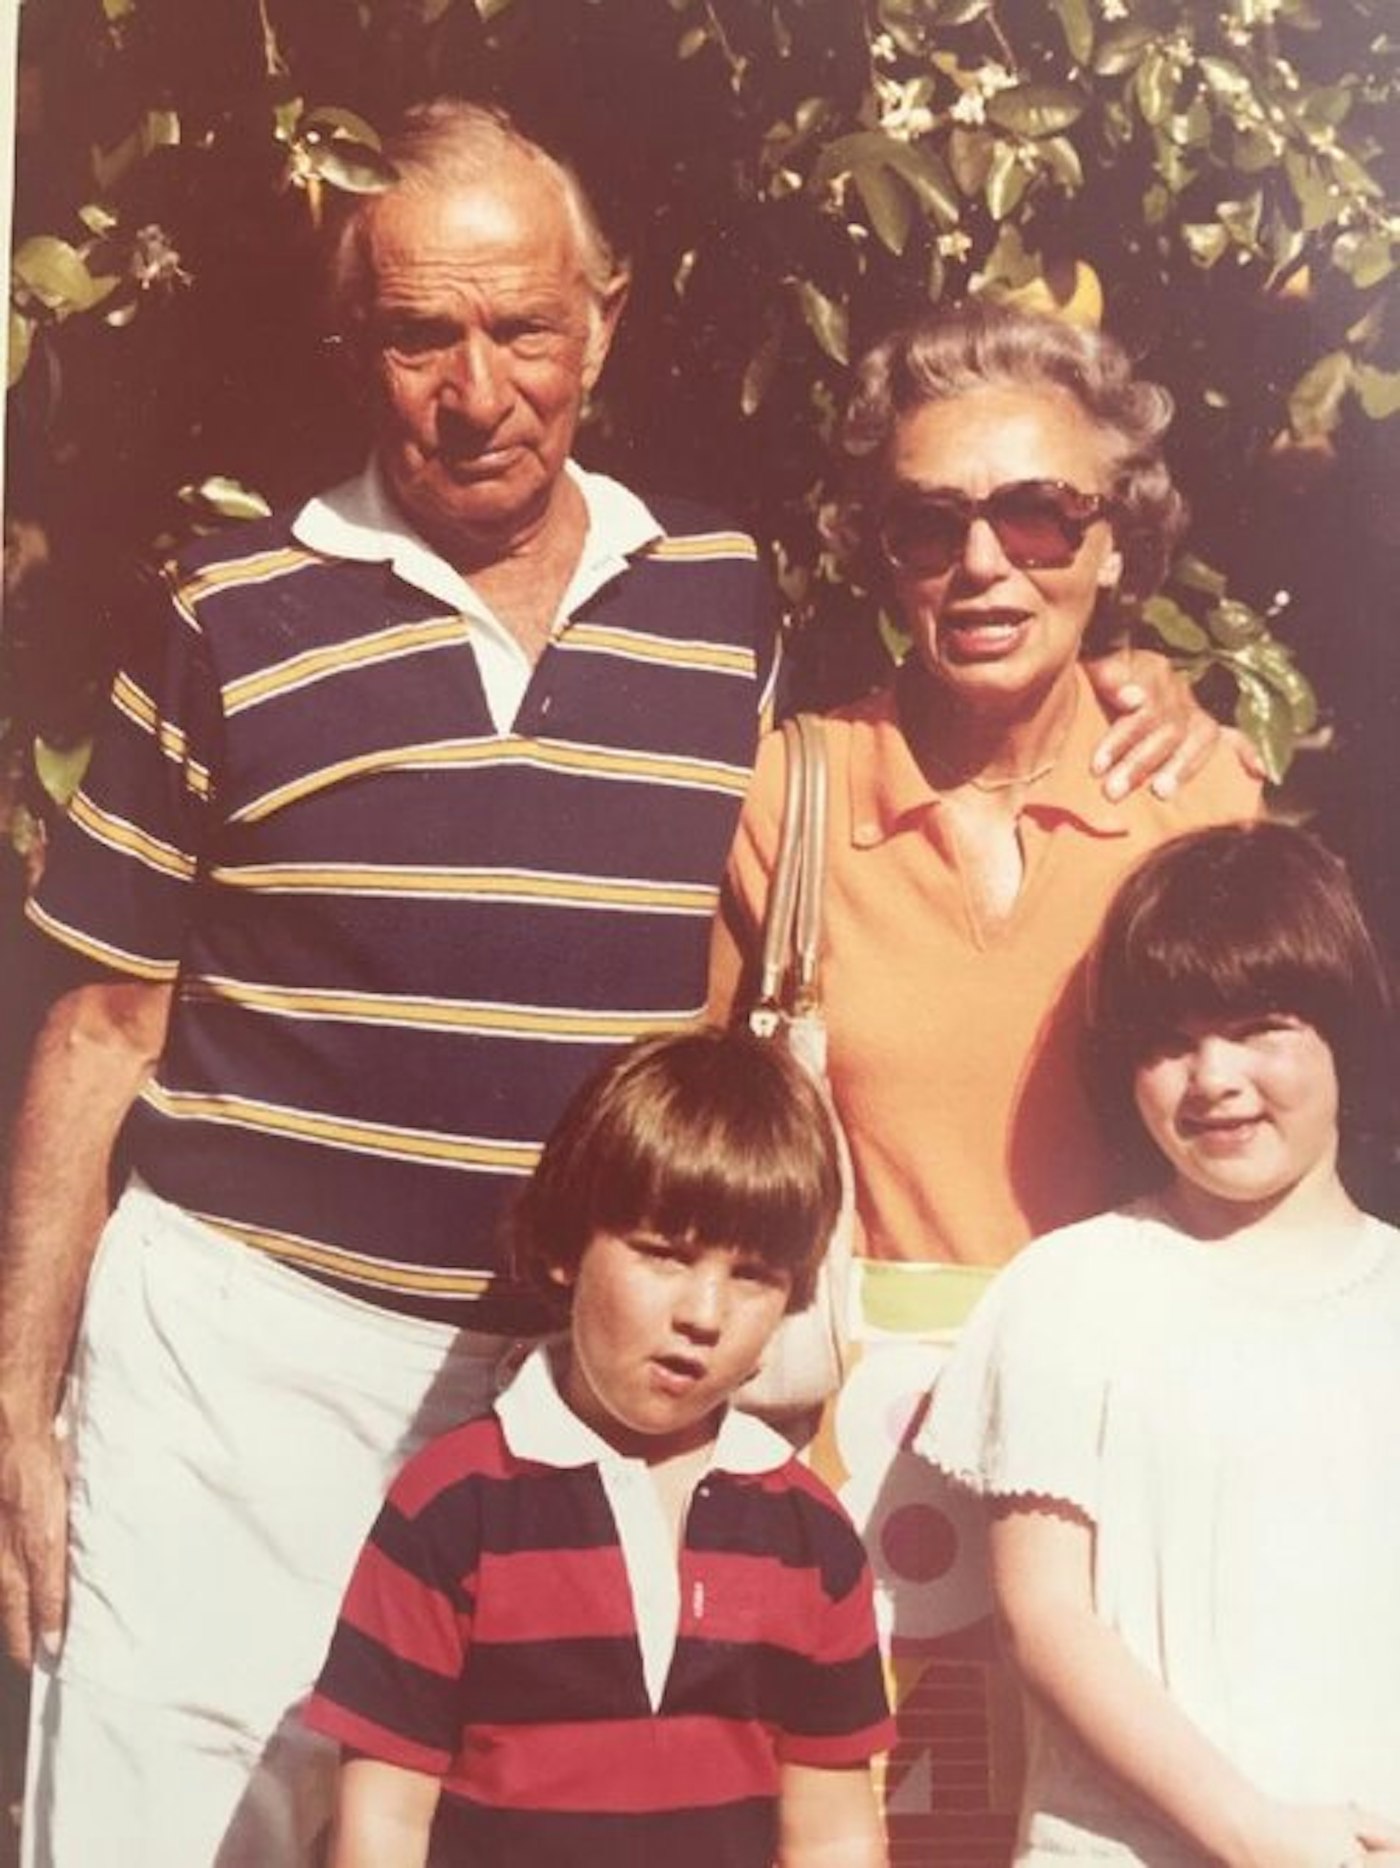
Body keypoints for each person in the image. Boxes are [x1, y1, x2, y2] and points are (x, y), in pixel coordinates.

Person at [0, 102, 1216, 1867]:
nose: (475, 386)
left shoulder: (721, 603)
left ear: (608, 321)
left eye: (524, 327)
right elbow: (100, 1020)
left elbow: (970, 650)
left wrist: (1136, 676)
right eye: (420, 332)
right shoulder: (230, 609)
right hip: (238, 1351)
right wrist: (19, 1394)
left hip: (572, 1381)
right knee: (171, 1824)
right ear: (360, 345)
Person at [710, 301, 1260, 1272]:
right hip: (866, 1399)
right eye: (927, 525)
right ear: (878, 556)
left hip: (1127, 1388)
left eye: (1036, 516)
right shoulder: (789, 800)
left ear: (1115, 541)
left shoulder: (1200, 799)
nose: (979, 563)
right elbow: (704, 1158)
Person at [918, 822, 1400, 1866]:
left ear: (1341, 1035)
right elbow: (1043, 1613)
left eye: (1257, 1025)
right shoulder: (1073, 1285)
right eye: (1168, 1041)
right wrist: (1252, 1832)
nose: (1211, 1076)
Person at [304, 1026, 893, 1868]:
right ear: (563, 1250)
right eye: (665, 1255)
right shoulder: (450, 1505)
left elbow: (832, 1833)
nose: (704, 1312)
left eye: (753, 1274)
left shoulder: (812, 1535)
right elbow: (385, 1822)